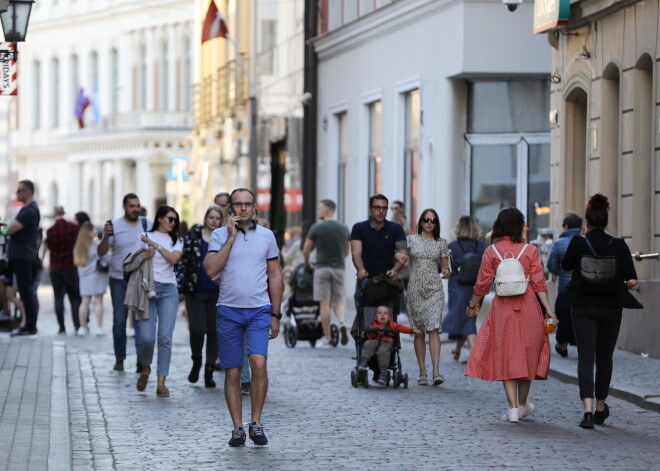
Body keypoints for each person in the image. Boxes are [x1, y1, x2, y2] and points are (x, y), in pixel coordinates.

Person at [203, 188, 284, 447]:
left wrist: (276, 313)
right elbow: (211, 269)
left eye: (248, 204)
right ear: (231, 209)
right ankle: (237, 427)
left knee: (259, 363)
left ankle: (255, 422)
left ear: (254, 207)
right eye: (237, 205)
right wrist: (229, 238)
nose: (243, 209)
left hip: (259, 310)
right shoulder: (218, 235)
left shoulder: (267, 236)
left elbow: (275, 275)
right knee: (233, 372)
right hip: (228, 310)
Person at [464, 206, 556, 423]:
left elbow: (482, 284)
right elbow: (539, 283)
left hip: (503, 309)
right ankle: (523, 405)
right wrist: (548, 309)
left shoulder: (491, 252)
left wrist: (472, 306)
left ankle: (512, 408)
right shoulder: (530, 251)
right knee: (528, 356)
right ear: (519, 226)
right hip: (529, 308)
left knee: (506, 355)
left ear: (498, 226)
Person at [560, 194, 640, 429]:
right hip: (611, 307)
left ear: (587, 221)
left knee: (586, 356)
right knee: (605, 358)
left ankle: (586, 411)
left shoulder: (578, 242)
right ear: (605, 221)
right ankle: (601, 408)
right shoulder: (619, 244)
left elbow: (564, 267)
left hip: (583, 306)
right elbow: (633, 281)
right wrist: (619, 284)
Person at [98, 193, 151, 372]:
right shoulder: (114, 225)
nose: (135, 209)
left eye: (137, 205)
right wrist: (105, 237)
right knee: (120, 321)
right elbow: (101, 251)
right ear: (124, 207)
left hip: (139, 280)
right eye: (131, 206)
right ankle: (120, 358)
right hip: (118, 279)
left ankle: (140, 359)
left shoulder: (147, 224)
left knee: (139, 321)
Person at [134, 206, 183, 397]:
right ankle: (145, 367)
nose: (173, 223)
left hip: (169, 290)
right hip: (147, 289)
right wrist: (144, 254)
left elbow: (173, 259)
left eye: (175, 220)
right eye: (170, 219)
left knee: (165, 338)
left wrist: (154, 245)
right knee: (146, 338)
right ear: (160, 218)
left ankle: (161, 382)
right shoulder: (143, 236)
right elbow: (132, 262)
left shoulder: (177, 240)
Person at [176, 205, 223, 388]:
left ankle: (209, 370)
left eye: (217, 218)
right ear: (205, 219)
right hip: (194, 290)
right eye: (210, 217)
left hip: (217, 293)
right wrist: (181, 287)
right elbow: (184, 262)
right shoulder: (193, 237)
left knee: (213, 331)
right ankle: (196, 360)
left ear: (220, 221)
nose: (213, 220)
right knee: (196, 329)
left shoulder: (224, 238)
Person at [406, 209, 450, 386]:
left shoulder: (441, 243)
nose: (429, 223)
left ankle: (436, 371)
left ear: (436, 223)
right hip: (415, 288)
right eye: (426, 219)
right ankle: (422, 371)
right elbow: (401, 258)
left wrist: (446, 272)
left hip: (434, 289)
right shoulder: (411, 240)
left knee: (433, 328)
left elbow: (445, 266)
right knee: (418, 330)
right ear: (421, 222)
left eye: (433, 220)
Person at [303, 199, 350, 347]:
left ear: (326, 211)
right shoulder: (344, 228)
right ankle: (342, 323)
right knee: (337, 301)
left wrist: (307, 263)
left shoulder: (317, 227)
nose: (318, 212)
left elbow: (306, 249)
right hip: (339, 268)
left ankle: (328, 338)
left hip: (322, 268)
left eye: (319, 209)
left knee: (324, 304)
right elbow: (347, 251)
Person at [442, 216, 487, 362]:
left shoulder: (453, 246)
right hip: (477, 288)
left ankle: (475, 357)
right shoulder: (481, 247)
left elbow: (441, 267)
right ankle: (457, 350)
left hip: (457, 287)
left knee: (466, 320)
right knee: (468, 318)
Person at [350, 194, 407, 307]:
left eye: (384, 208)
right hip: (367, 279)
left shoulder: (396, 228)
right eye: (377, 207)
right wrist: (361, 270)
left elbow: (403, 253)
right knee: (366, 318)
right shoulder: (359, 228)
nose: (381, 211)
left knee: (388, 320)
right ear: (370, 209)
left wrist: (395, 270)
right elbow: (356, 254)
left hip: (388, 279)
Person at [7, 180, 41, 338]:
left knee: (26, 292)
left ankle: (29, 326)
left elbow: (10, 229)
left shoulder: (28, 211)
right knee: (26, 292)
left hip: (23, 256)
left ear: (28, 192)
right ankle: (29, 326)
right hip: (24, 255)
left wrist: (5, 229)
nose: (17, 194)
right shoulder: (30, 209)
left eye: (20, 190)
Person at [546, 211, 582, 357]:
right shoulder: (585, 241)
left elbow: (551, 265)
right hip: (584, 288)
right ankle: (583, 346)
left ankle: (562, 345)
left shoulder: (560, 243)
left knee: (564, 316)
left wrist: (560, 272)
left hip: (565, 288)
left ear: (566, 226)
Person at [358, 305, 420, 384]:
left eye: (385, 313)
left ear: (389, 317)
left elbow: (401, 328)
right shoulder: (372, 326)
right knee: (368, 344)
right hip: (375, 341)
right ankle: (364, 362)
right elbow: (369, 337)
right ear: (375, 317)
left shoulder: (392, 325)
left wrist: (412, 331)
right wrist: (364, 334)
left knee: (383, 351)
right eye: (380, 313)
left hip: (387, 342)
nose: (383, 315)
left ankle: (383, 372)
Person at [44, 206, 82, 334]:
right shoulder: (73, 228)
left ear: (54, 214)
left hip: (56, 267)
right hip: (70, 266)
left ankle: (62, 327)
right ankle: (77, 325)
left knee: (58, 298)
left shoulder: (50, 231)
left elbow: (47, 247)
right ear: (64, 213)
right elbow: (79, 245)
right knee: (74, 297)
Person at [73, 222, 109, 335]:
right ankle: (99, 328)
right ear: (89, 232)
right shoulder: (96, 244)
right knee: (98, 301)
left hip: (84, 276)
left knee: (84, 302)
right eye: (93, 230)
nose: (95, 231)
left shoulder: (78, 246)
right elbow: (106, 257)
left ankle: (82, 328)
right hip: (97, 275)